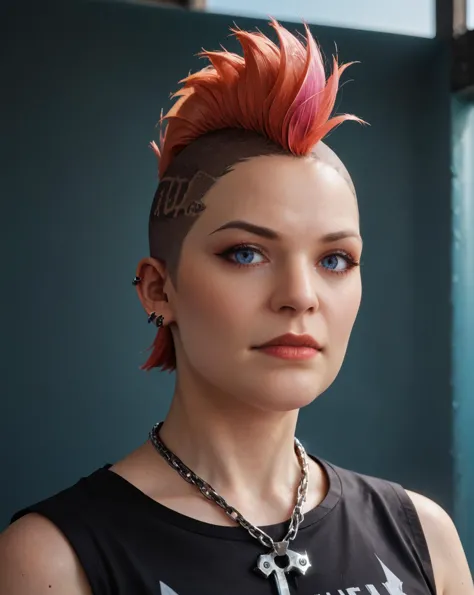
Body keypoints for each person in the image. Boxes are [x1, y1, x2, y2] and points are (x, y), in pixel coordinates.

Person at [0, 18, 472, 595]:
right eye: (246, 253)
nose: (300, 295)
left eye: (335, 260)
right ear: (157, 289)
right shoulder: (53, 560)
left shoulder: (424, 539)